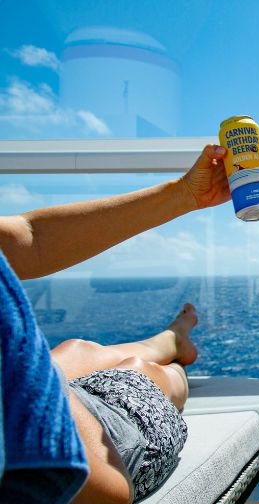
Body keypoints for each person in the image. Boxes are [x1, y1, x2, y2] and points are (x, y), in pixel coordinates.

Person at [0, 144, 231, 503]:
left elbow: (30, 237)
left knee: (77, 350)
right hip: (97, 445)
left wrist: (184, 194)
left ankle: (170, 338)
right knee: (141, 372)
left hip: (44, 406)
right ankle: (170, 358)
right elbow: (107, 488)